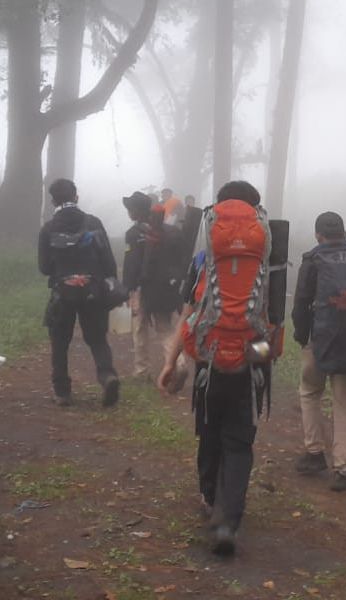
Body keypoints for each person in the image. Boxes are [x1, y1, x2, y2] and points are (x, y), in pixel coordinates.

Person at [158, 181, 287, 556]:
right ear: (256, 214)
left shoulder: (204, 257)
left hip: (208, 360)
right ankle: (228, 520)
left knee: (209, 428)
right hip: (251, 360)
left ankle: (210, 499)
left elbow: (189, 311)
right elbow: (275, 317)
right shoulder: (271, 253)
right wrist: (261, 353)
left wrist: (170, 361)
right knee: (239, 440)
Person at [292, 211, 346, 491]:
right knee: (345, 403)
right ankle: (343, 468)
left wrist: (303, 337)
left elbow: (300, 304)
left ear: (318, 235)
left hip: (320, 340)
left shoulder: (312, 260)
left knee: (310, 393)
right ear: (345, 233)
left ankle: (315, 452)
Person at [38, 179, 119, 407]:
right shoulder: (93, 222)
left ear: (53, 200)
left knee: (60, 341)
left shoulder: (48, 228)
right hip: (93, 289)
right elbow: (108, 261)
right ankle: (107, 376)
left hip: (62, 292)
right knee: (96, 338)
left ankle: (62, 392)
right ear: (76, 196)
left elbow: (44, 267)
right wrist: (108, 282)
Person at [123, 192, 184, 381]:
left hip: (143, 289)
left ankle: (142, 370)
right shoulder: (170, 231)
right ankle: (179, 363)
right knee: (165, 328)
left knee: (140, 328)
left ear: (135, 212)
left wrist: (128, 288)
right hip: (165, 288)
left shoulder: (133, 234)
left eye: (130, 209)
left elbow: (131, 264)